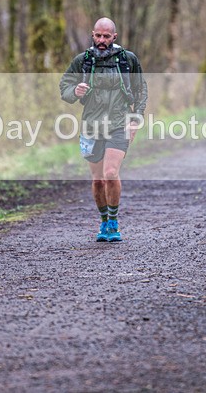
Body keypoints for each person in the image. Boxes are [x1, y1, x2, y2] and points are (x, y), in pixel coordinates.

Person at [59, 17, 148, 242]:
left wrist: (136, 119)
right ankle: (103, 222)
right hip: (91, 126)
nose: (101, 40)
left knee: (110, 173)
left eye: (106, 36)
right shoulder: (83, 60)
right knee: (98, 179)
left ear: (114, 37)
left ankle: (114, 221)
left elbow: (140, 90)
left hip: (119, 124)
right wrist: (74, 91)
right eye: (98, 35)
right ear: (93, 34)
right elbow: (65, 86)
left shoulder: (128, 60)